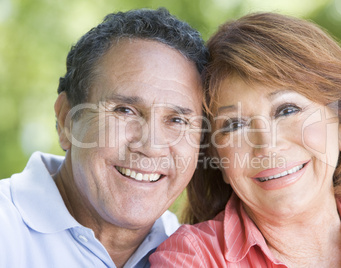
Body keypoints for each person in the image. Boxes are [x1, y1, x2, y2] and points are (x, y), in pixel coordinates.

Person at [150, 12, 341, 267]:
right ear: (218, 160)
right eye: (235, 125)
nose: (267, 145)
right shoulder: (190, 257)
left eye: (287, 110)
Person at [0, 8, 207, 268]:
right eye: (125, 110)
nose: (151, 147)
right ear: (66, 120)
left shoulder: (195, 253)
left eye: (177, 120)